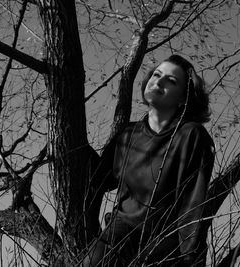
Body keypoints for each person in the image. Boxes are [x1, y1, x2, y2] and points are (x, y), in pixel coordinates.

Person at [83, 55, 215, 266]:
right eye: (156, 74)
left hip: (165, 239)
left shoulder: (191, 135)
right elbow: (100, 178)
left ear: (183, 98)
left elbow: (194, 205)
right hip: (121, 232)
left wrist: (189, 258)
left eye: (171, 81)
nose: (159, 81)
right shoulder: (127, 135)